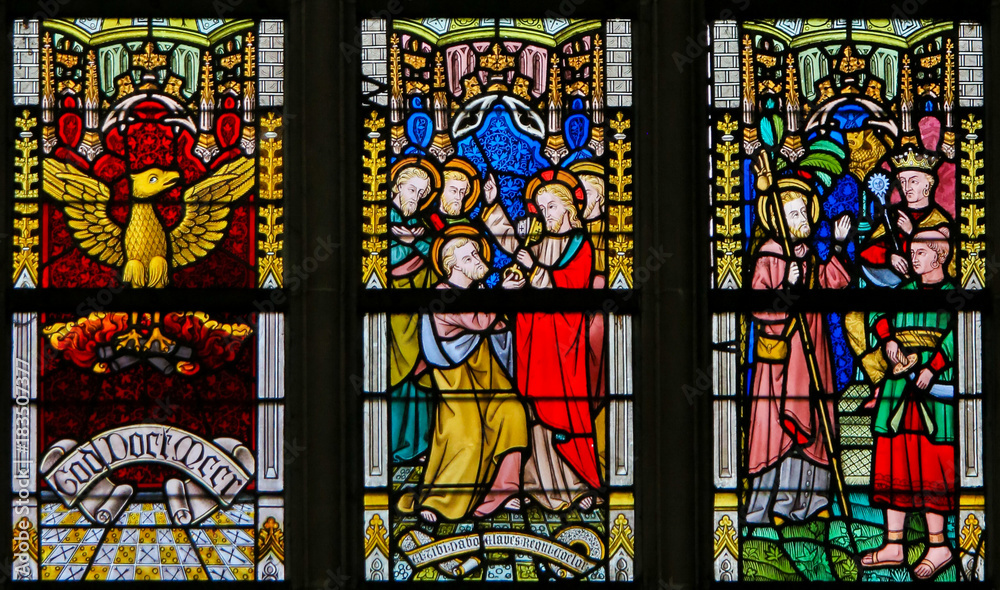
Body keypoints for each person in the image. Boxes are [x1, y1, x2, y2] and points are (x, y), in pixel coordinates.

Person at [482, 169, 602, 511]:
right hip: (535, 341)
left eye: (550, 207)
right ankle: (534, 484)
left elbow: (568, 287)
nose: (544, 214)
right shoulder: (539, 244)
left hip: (564, 346)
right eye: (541, 208)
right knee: (535, 412)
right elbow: (512, 246)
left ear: (567, 208)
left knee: (567, 411)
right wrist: (492, 208)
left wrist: (534, 270)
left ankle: (578, 484)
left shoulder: (580, 245)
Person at [397, 227, 528, 522]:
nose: (478, 259)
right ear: (453, 265)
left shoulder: (478, 292)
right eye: (469, 256)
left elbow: (496, 327)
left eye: (476, 253)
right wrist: (503, 295)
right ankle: (439, 501)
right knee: (468, 439)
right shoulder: (444, 294)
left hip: (489, 382)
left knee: (514, 412)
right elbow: (479, 321)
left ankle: (504, 491)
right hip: (457, 385)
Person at [746, 173, 853, 525]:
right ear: (777, 219)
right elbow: (759, 308)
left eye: (804, 213)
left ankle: (805, 505)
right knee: (777, 426)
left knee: (814, 423)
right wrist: (787, 284)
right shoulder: (769, 254)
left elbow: (833, 284)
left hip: (812, 355)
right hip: (780, 361)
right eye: (793, 215)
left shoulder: (807, 255)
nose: (802, 221)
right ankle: (769, 504)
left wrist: (837, 246)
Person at [860, 229, 955, 579]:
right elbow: (879, 317)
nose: (912, 258)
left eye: (920, 252)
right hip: (898, 386)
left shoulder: (954, 294)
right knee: (893, 457)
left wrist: (933, 367)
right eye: (911, 252)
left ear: (939, 256)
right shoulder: (904, 293)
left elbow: (962, 335)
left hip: (933, 391)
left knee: (933, 462)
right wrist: (887, 341)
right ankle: (894, 544)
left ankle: (939, 545)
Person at [387, 158, 440, 462]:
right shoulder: (379, 221)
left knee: (420, 380)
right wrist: (410, 244)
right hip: (394, 316)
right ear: (396, 186)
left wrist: (417, 243)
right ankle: (393, 445)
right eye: (412, 190)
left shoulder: (420, 226)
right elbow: (383, 262)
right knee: (394, 380)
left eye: (421, 194)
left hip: (419, 317)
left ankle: (418, 445)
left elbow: (438, 258)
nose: (415, 198)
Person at [859, 147, 953, 285]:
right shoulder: (892, 216)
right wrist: (889, 257)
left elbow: (945, 260)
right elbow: (866, 251)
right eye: (902, 181)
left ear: (928, 185)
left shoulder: (939, 220)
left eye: (914, 181)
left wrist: (911, 232)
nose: (907, 187)